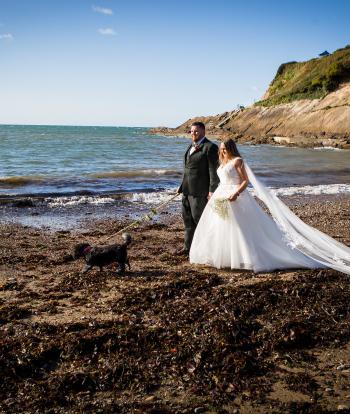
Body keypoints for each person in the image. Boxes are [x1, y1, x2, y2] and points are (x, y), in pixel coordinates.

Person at [189, 138, 350, 275]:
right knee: (221, 226)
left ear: (231, 149)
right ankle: (224, 256)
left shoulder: (237, 161)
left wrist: (236, 193)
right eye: (221, 149)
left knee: (240, 228)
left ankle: (250, 258)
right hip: (221, 195)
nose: (222, 151)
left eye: (225, 149)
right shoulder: (222, 163)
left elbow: (245, 181)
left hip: (235, 197)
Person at [177, 122, 220, 254]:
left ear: (203, 132)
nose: (193, 134)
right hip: (186, 190)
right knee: (187, 221)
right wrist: (181, 186)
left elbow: (214, 171)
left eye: (196, 131)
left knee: (200, 222)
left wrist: (212, 191)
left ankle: (204, 249)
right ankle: (187, 248)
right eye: (191, 131)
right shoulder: (190, 146)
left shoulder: (210, 147)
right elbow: (188, 170)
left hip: (200, 192)